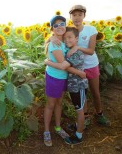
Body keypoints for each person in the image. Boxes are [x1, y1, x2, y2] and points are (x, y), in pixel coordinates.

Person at [51, 5, 110, 127]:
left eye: (80, 15)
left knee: (95, 92)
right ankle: (86, 116)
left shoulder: (91, 29)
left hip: (91, 65)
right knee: (82, 92)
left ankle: (100, 114)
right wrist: (52, 38)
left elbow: (91, 50)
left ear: (84, 16)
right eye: (74, 15)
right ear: (70, 17)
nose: (77, 17)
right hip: (76, 68)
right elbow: (57, 33)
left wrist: (77, 47)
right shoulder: (68, 30)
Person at [43, 14, 83, 146]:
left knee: (59, 103)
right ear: (52, 29)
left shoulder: (64, 41)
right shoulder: (55, 45)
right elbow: (63, 66)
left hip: (63, 78)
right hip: (54, 78)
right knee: (51, 105)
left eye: (62, 24)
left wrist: (76, 47)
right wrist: (79, 73)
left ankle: (58, 127)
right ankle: (47, 131)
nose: (59, 27)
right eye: (56, 25)